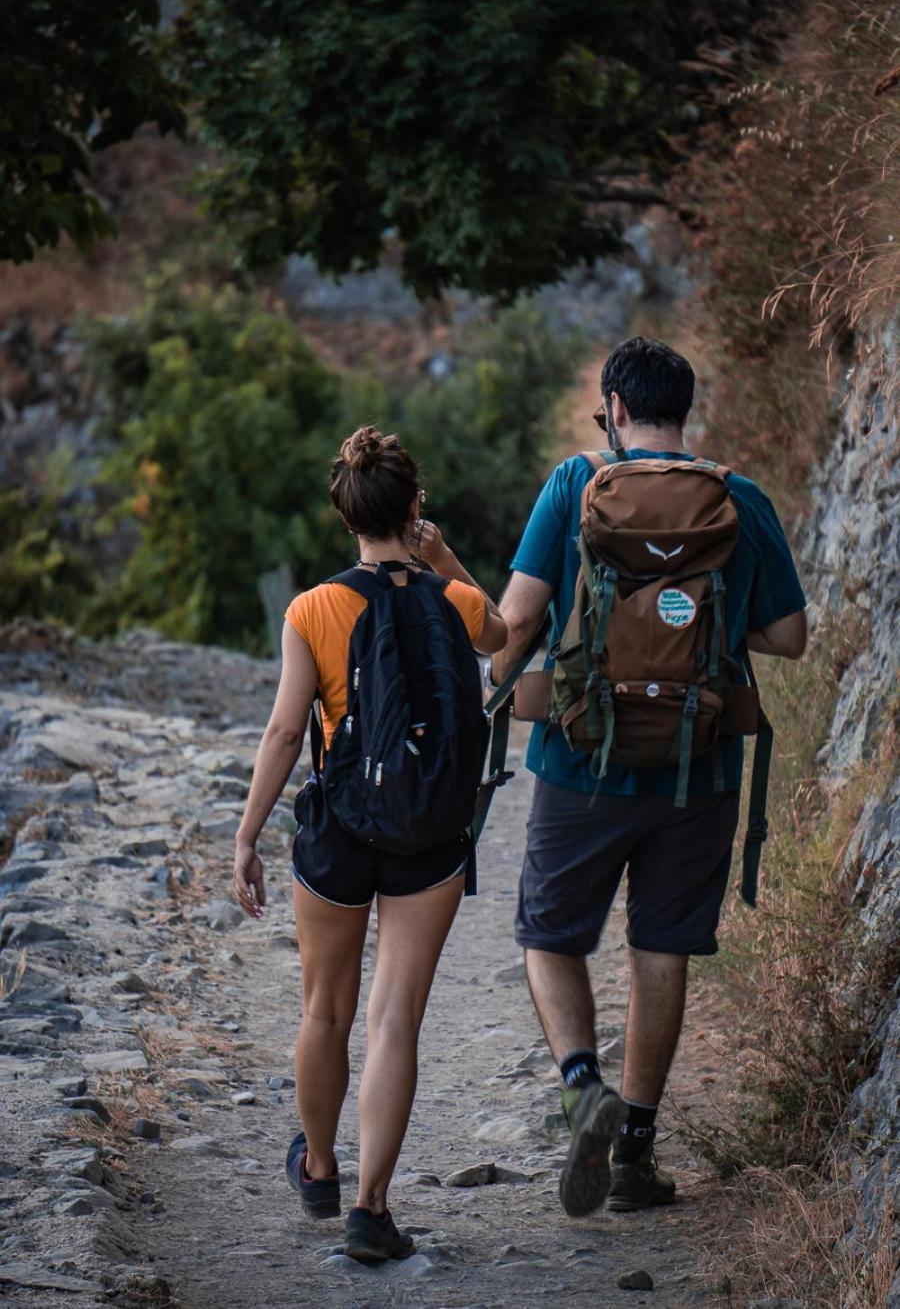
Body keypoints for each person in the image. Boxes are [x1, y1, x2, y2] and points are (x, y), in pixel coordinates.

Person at [489, 336, 807, 1217]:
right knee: (661, 947)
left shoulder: (574, 485)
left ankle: (581, 1083)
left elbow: (515, 617)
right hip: (695, 770)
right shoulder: (737, 499)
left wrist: (491, 684)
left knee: (550, 938)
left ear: (615, 409)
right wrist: (698, 625)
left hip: (579, 759)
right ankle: (634, 1151)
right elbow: (789, 638)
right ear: (685, 410)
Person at [232, 426, 507, 1262]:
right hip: (429, 830)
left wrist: (246, 837)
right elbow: (501, 635)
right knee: (393, 1020)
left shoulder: (313, 610)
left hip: (341, 827)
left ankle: (316, 1165)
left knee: (326, 1009)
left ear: (343, 515)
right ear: (413, 506)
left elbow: (286, 732)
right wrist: (445, 554)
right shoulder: (450, 602)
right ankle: (371, 1209)